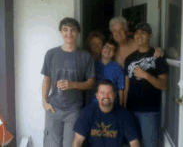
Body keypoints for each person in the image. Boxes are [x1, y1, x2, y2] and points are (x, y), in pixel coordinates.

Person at [41, 17, 95, 147]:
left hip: (74, 110)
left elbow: (91, 83)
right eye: (65, 30)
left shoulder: (85, 56)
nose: (69, 34)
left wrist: (73, 85)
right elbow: (46, 79)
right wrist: (44, 101)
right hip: (53, 108)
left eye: (73, 30)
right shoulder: (51, 54)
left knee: (70, 145)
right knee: (52, 144)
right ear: (60, 31)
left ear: (77, 33)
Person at [124, 22, 169, 147]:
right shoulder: (129, 59)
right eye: (136, 33)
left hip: (149, 111)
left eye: (143, 33)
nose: (139, 35)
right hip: (130, 110)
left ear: (150, 36)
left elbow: (164, 84)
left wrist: (146, 75)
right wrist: (124, 108)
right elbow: (127, 84)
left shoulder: (158, 56)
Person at [72, 80, 140, 147]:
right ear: (97, 96)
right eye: (102, 93)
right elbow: (78, 141)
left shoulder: (125, 115)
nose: (106, 96)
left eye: (109, 93)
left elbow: (134, 142)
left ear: (114, 95)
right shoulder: (87, 112)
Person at [89, 39, 124, 106]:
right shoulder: (93, 65)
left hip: (112, 104)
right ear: (101, 48)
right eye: (106, 47)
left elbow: (121, 90)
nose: (108, 50)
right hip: (94, 103)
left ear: (114, 53)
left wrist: (121, 106)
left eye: (111, 49)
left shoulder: (118, 68)